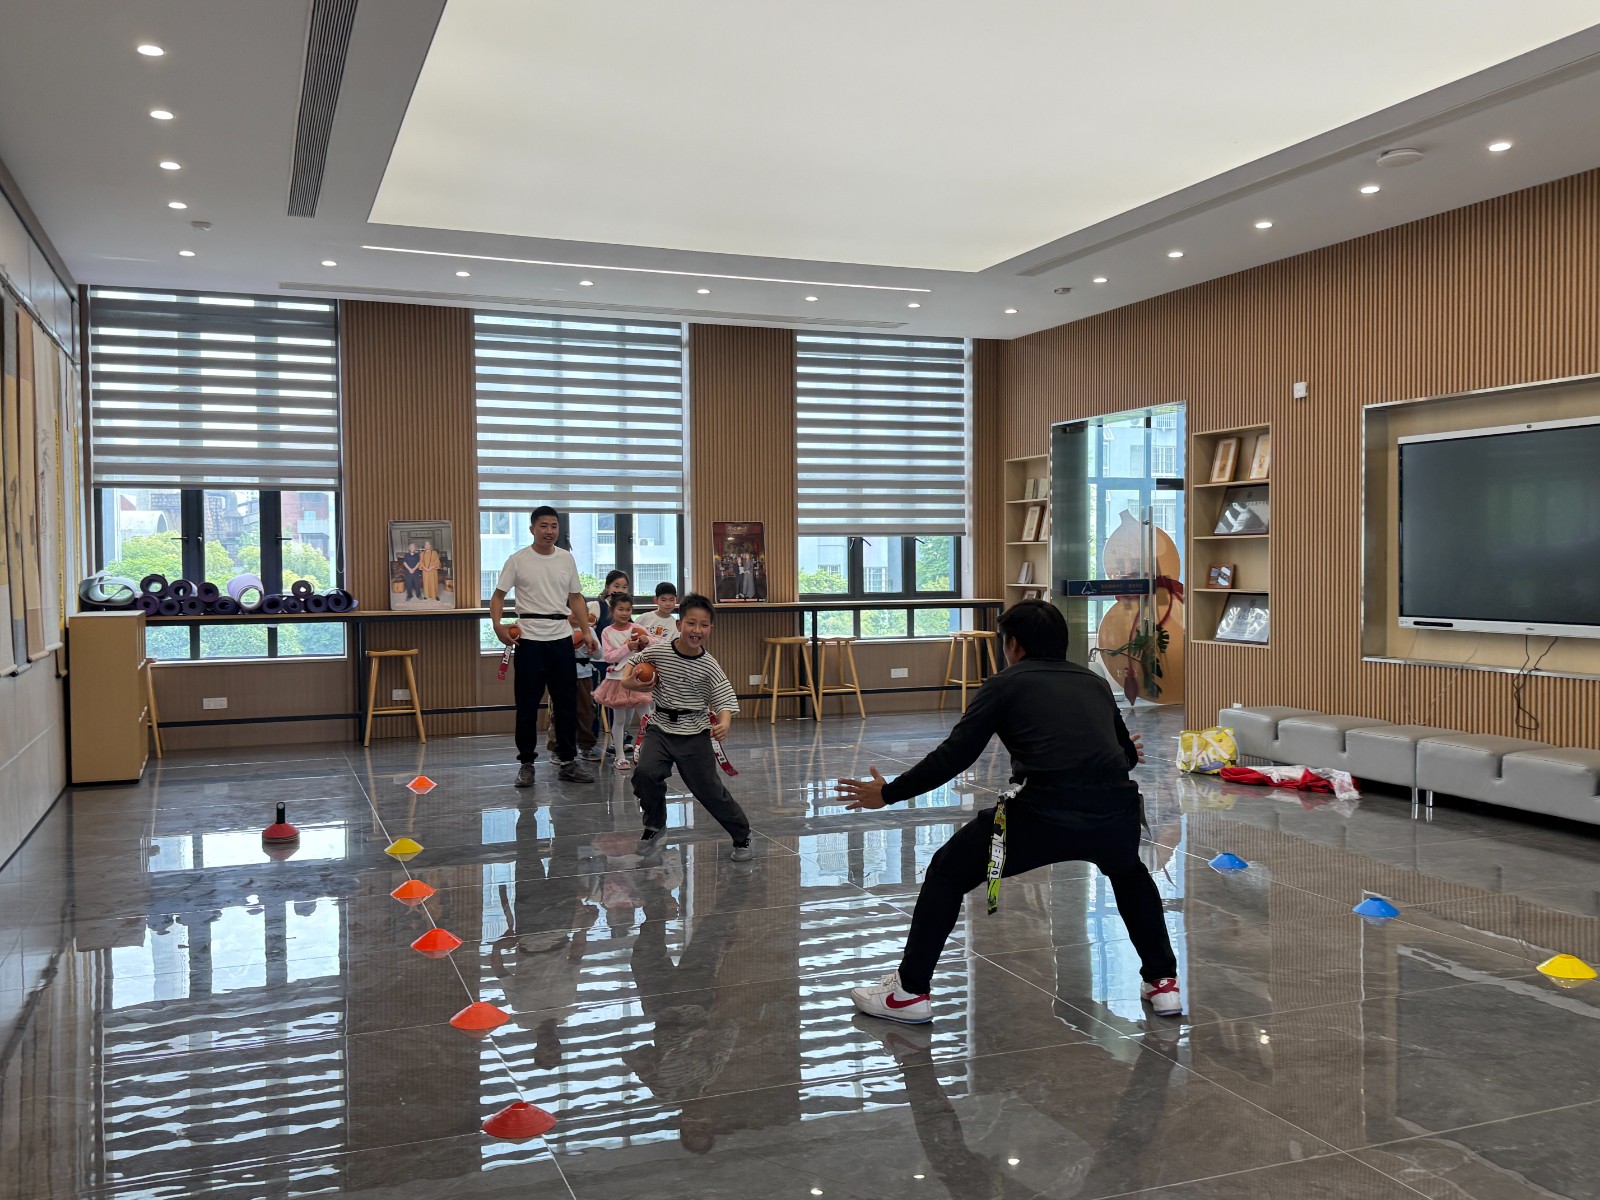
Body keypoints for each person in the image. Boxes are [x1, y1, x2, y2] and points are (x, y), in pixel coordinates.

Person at [838, 599, 1180, 1023]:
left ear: (1014, 644)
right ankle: (1163, 983)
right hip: (1114, 811)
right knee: (1130, 875)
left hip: (1043, 814)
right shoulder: (1092, 682)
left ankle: (909, 992)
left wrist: (889, 793)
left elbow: (955, 755)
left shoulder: (1004, 684)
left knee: (947, 872)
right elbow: (1125, 756)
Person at [621, 593, 752, 862]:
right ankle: (654, 825)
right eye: (691, 623)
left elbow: (724, 697)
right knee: (645, 773)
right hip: (660, 728)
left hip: (694, 732)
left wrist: (724, 722)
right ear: (679, 625)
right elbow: (632, 665)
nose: (697, 630)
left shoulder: (709, 665)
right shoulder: (659, 651)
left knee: (709, 791)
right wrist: (632, 683)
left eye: (704, 625)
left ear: (710, 629)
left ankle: (743, 835)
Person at [489, 506, 599, 785]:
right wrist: (498, 626)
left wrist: (586, 631)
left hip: (561, 639)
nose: (549, 531)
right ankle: (526, 763)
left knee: (566, 704)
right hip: (529, 640)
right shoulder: (518, 560)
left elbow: (576, 598)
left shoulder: (566, 559)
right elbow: (498, 596)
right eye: (543, 526)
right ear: (532, 529)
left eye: (554, 526)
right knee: (527, 706)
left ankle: (567, 761)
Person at [592, 594, 653, 771]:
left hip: (639, 678)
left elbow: (656, 644)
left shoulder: (638, 628)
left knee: (647, 718)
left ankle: (647, 754)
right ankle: (619, 756)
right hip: (618, 679)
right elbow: (609, 656)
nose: (625, 613)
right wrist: (627, 647)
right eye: (621, 609)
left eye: (628, 609)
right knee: (619, 720)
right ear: (612, 610)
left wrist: (647, 640)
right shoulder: (607, 632)